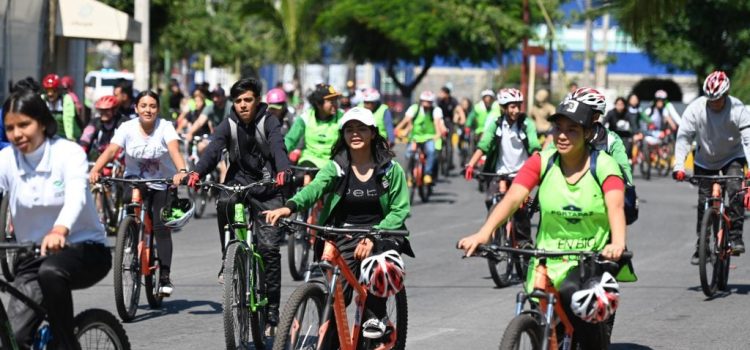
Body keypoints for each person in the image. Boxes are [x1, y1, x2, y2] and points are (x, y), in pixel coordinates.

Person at [458, 96, 633, 349]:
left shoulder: (604, 165)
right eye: (558, 128)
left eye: (572, 129)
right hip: (546, 259)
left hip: (587, 260)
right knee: (539, 314)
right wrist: (484, 233)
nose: (562, 135)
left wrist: (617, 244)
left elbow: (616, 207)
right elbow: (512, 198)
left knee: (579, 305)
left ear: (587, 133)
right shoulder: (542, 161)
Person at [264, 107, 413, 348]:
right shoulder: (337, 166)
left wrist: (373, 237)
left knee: (380, 268)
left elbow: (400, 210)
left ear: (373, 133)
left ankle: (377, 317)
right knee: (336, 300)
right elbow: (315, 188)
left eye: (361, 128)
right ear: (343, 134)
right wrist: (289, 206)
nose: (355, 134)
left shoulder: (389, 169)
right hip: (340, 234)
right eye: (349, 129)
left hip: (380, 235)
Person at [174, 77, 292, 327]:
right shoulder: (228, 123)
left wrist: (283, 169)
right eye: (238, 101)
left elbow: (278, 147)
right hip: (238, 181)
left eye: (247, 100)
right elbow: (213, 150)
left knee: (269, 247)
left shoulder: (268, 121)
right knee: (224, 202)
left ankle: (272, 306)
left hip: (268, 186)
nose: (242, 105)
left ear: (257, 100)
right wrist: (197, 172)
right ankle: (227, 258)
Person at [1, 89, 111, 349]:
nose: (17, 134)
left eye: (24, 125)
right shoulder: (6, 160)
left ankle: (66, 343)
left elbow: (76, 197)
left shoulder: (68, 153)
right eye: (9, 128)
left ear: (41, 122)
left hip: (83, 249)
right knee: (13, 339)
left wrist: (60, 229)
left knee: (52, 272)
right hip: (33, 257)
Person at [89, 91, 188, 296]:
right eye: (143, 106)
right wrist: (96, 169)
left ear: (158, 109)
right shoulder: (127, 127)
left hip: (163, 182)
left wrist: (182, 172)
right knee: (129, 200)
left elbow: (174, 151)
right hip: (135, 179)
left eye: (152, 106)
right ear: (136, 109)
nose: (148, 110)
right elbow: (110, 151)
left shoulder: (165, 127)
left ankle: (165, 277)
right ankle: (130, 233)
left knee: (162, 227)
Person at [673, 70, 750, 262]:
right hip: (704, 159)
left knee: (734, 192)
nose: (714, 103)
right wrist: (679, 166)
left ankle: (735, 237)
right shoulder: (695, 109)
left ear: (726, 95)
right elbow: (683, 138)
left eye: (718, 99)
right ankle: (702, 246)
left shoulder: (738, 109)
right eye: (710, 99)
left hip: (733, 156)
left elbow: (748, 141)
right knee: (703, 202)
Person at [464, 88, 540, 246]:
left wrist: (537, 169)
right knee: (490, 200)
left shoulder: (526, 124)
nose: (516, 110)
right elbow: (483, 145)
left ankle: (524, 242)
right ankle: (495, 236)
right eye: (512, 106)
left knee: (521, 209)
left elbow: (534, 147)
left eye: (519, 106)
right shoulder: (496, 124)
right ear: (503, 108)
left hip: (522, 174)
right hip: (499, 172)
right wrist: (471, 164)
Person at [285, 83, 343, 170]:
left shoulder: (342, 118)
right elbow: (290, 140)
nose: (335, 104)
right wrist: (279, 158)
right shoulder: (305, 117)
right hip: (309, 161)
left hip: (333, 162)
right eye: (331, 101)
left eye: (336, 100)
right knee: (301, 177)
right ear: (318, 104)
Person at [395, 90, 446, 186]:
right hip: (415, 137)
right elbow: (406, 120)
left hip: (429, 137)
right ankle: (410, 176)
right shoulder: (414, 108)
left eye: (429, 102)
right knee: (409, 153)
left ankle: (427, 173)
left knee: (431, 151)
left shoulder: (436, 110)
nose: (426, 104)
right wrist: (396, 130)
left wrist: (438, 135)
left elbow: (437, 123)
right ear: (421, 101)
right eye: (424, 101)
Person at [41, 73, 81, 141]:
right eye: (47, 91)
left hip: (69, 136)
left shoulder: (66, 100)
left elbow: (68, 119)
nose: (50, 94)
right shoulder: (42, 99)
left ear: (58, 90)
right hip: (52, 136)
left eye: (53, 90)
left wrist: (69, 138)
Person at [604, 97, 640, 161]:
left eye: (621, 104)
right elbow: (604, 122)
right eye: (618, 104)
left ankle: (629, 161)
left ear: (624, 105)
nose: (619, 106)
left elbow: (633, 125)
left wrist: (636, 134)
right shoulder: (611, 113)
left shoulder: (628, 113)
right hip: (613, 136)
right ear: (615, 104)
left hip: (626, 136)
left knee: (628, 150)